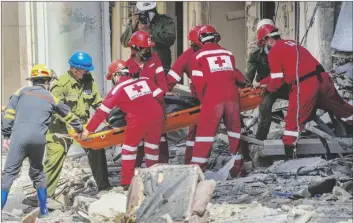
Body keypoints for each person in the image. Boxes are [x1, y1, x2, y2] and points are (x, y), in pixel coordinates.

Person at [257, 20, 353, 158]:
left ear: (268, 38)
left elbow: (277, 81)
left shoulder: (274, 52)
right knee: (341, 107)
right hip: (323, 79)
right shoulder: (292, 43)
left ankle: (289, 152)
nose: (265, 46)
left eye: (264, 43)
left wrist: (267, 89)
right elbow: (287, 70)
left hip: (305, 84)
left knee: (293, 118)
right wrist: (262, 82)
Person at [1, 64, 83, 217]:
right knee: (38, 173)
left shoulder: (20, 92)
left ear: (32, 80)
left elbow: (9, 114)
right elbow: (67, 113)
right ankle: (44, 211)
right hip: (39, 140)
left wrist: (6, 135)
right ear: (47, 82)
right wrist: (79, 129)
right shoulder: (51, 97)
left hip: (19, 137)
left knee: (9, 175)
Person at [79, 60, 165, 188]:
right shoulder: (144, 80)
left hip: (137, 120)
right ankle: (154, 181)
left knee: (129, 150)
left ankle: (127, 184)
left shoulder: (117, 89)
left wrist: (88, 131)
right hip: (158, 116)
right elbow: (160, 96)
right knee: (152, 148)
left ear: (115, 75)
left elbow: (102, 112)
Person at [44, 52, 111, 198]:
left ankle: (104, 188)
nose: (87, 73)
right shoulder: (61, 85)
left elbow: (97, 102)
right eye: (85, 70)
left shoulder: (89, 80)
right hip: (60, 127)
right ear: (75, 70)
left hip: (83, 124)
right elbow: (53, 110)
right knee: (54, 160)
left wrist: (108, 118)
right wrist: (71, 125)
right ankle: (45, 198)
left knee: (97, 149)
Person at [189, 25, 250, 177]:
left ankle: (197, 170)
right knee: (234, 134)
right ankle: (238, 168)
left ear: (201, 41)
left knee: (204, 135)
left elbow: (197, 84)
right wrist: (245, 83)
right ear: (216, 37)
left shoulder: (198, 57)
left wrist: (203, 101)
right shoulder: (228, 54)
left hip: (212, 98)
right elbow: (236, 75)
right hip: (232, 98)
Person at [125, 30, 171, 166]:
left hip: (156, 106)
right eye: (146, 49)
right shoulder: (127, 66)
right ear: (136, 49)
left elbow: (162, 81)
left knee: (160, 140)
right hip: (138, 111)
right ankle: (135, 173)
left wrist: (163, 96)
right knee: (137, 142)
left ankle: (162, 169)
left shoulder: (155, 60)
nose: (149, 51)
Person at [246, 19, 290, 141]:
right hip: (266, 88)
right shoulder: (255, 54)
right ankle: (260, 142)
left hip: (284, 84)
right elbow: (249, 75)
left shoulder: (283, 48)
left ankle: (291, 138)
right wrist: (246, 89)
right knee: (264, 115)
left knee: (298, 106)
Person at [166, 25, 203, 164]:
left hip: (216, 95)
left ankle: (243, 158)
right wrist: (164, 91)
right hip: (200, 97)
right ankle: (191, 163)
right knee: (195, 130)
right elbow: (172, 76)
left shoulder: (213, 51)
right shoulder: (188, 56)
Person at [120, 1, 176, 73]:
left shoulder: (164, 20)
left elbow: (170, 39)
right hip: (139, 68)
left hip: (160, 67)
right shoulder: (135, 21)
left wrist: (150, 34)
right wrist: (132, 26)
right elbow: (124, 42)